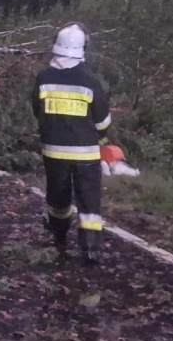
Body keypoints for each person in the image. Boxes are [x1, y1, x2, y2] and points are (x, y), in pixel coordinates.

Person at [30, 23, 114, 263]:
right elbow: (102, 121)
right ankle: (90, 249)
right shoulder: (90, 82)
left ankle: (59, 237)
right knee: (89, 201)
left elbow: (37, 110)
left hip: (54, 153)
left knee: (59, 198)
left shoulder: (43, 79)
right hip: (86, 154)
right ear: (82, 49)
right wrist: (103, 138)